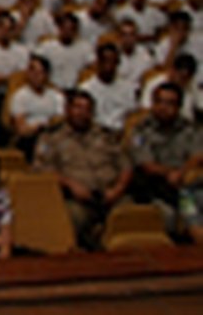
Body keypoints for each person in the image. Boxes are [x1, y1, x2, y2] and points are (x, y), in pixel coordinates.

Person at [33, 91, 133, 250]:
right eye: (77, 108)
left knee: (133, 214)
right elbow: (42, 170)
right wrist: (70, 185)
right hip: (76, 199)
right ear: (67, 110)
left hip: (112, 195)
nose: (82, 113)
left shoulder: (106, 135)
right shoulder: (51, 137)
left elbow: (126, 166)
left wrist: (118, 189)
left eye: (87, 109)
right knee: (72, 218)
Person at [129, 82, 203, 235]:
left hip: (185, 184)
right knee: (171, 216)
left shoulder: (189, 128)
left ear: (179, 107)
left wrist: (181, 173)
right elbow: (146, 165)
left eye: (170, 103)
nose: (163, 107)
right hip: (155, 188)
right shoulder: (140, 130)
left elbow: (198, 156)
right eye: (159, 102)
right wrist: (170, 174)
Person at [9, 55, 65, 160]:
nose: (36, 76)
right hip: (30, 137)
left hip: (52, 136)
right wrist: (36, 127)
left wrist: (48, 125)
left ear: (47, 75)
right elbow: (21, 129)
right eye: (32, 72)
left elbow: (60, 120)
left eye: (40, 73)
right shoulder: (20, 96)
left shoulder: (57, 96)